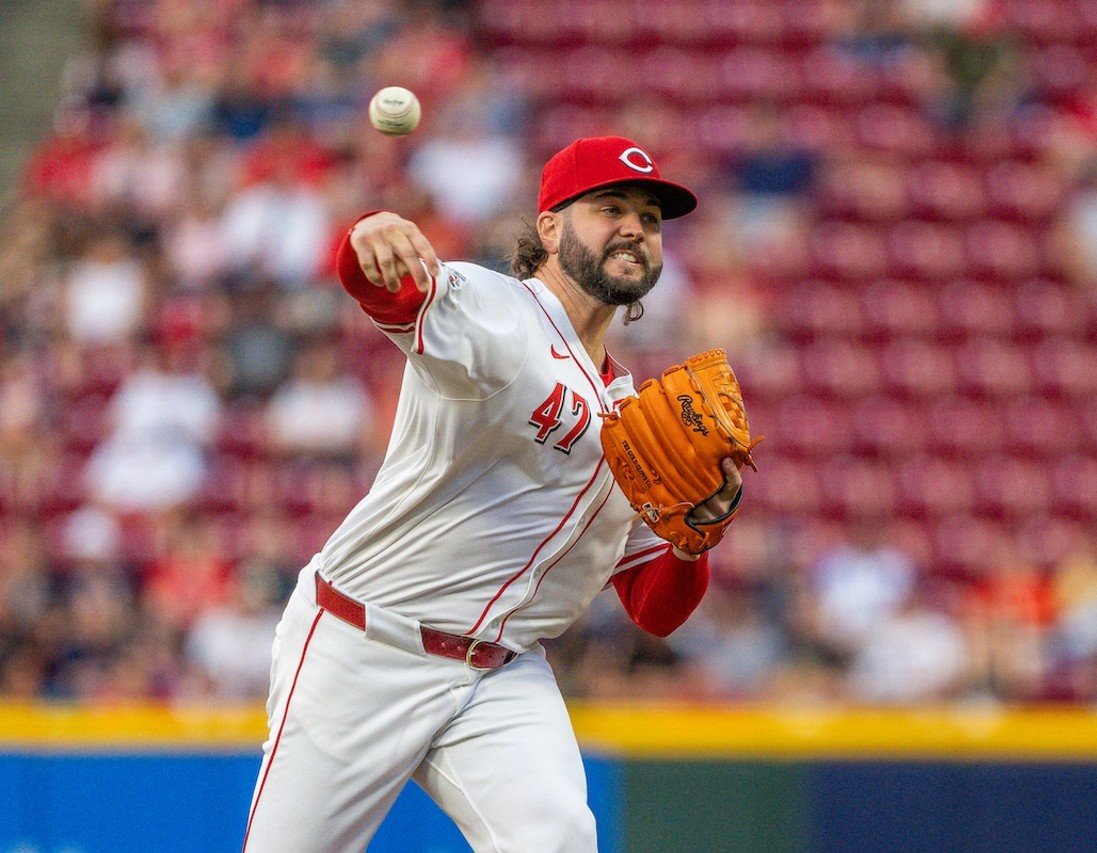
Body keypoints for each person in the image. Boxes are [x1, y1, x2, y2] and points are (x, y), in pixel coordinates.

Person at [242, 136, 744, 852]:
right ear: (549, 227)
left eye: (651, 217)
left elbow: (653, 606)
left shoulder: (639, 421)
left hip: (500, 676)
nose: (635, 226)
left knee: (561, 838)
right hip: (363, 643)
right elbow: (387, 287)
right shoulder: (496, 310)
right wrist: (368, 236)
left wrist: (696, 537)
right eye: (610, 208)